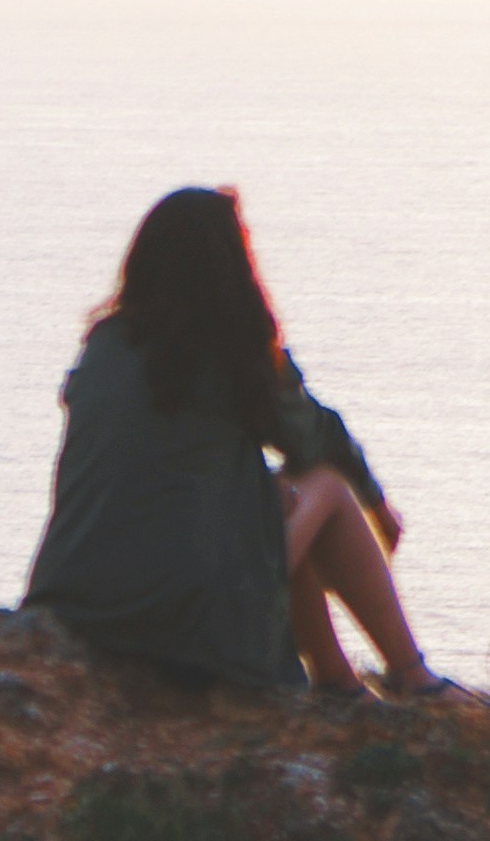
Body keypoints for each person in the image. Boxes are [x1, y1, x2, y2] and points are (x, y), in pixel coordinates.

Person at [24, 185, 445, 698]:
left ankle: (337, 682)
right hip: (183, 611)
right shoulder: (233, 348)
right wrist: (377, 505)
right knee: (328, 488)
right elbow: (313, 436)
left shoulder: (104, 345)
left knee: (270, 503)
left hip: (73, 597)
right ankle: (415, 678)